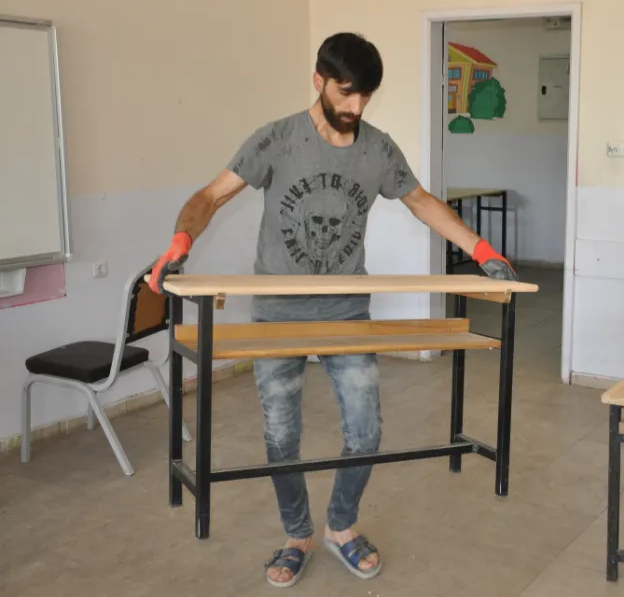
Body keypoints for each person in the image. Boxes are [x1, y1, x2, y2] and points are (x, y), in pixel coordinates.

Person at [148, 32, 516, 588]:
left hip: (345, 313)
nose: (356, 107)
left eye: (366, 96)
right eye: (347, 93)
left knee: (366, 431)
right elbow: (211, 196)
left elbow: (420, 201)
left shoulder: (378, 149)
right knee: (281, 437)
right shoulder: (277, 139)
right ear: (318, 80)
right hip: (277, 317)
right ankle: (297, 534)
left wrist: (482, 250)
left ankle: (341, 527)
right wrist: (181, 241)